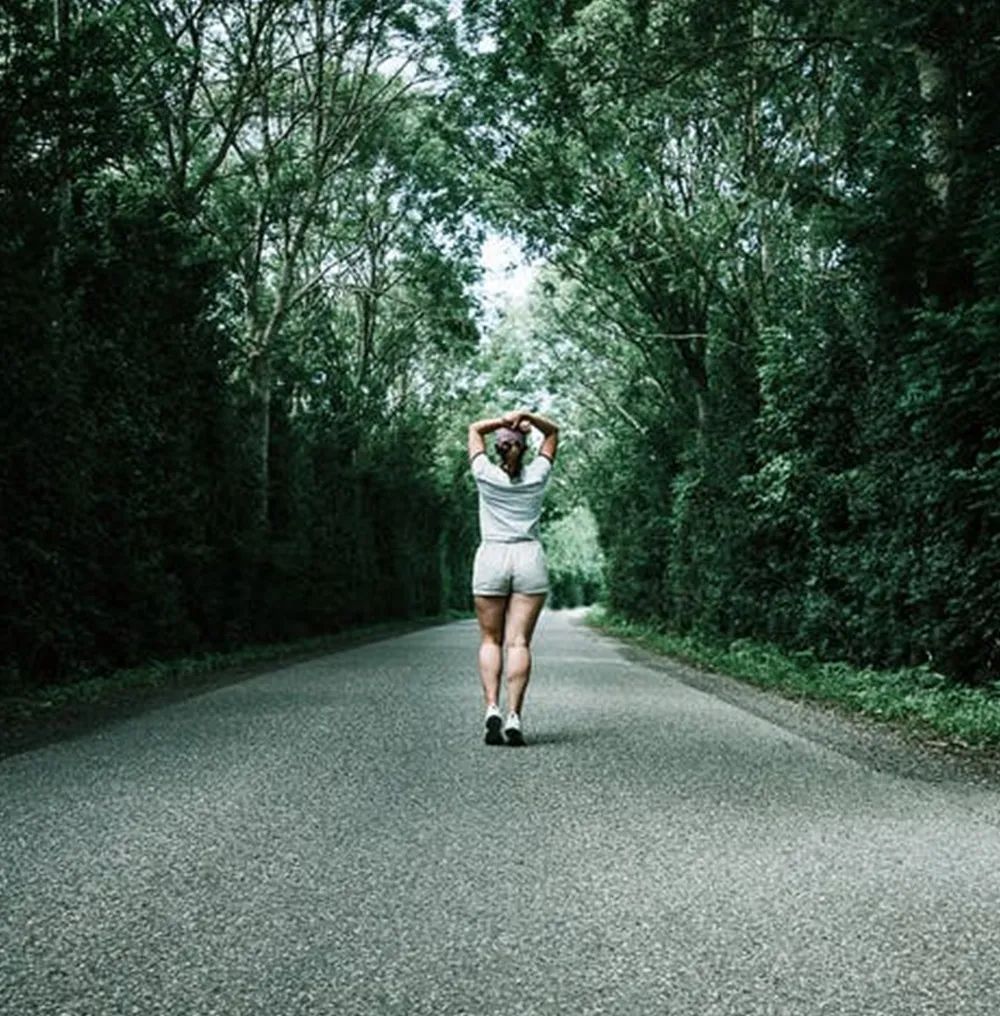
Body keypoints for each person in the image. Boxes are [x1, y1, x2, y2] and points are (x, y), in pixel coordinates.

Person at [467, 408, 559, 746]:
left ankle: (492, 706)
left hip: (492, 556)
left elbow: (475, 429)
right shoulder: (537, 474)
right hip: (528, 557)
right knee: (518, 643)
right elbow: (553, 433)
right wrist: (526, 416)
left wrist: (504, 422)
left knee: (490, 641)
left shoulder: (484, 474)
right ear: (524, 447)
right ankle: (514, 716)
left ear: (498, 448)